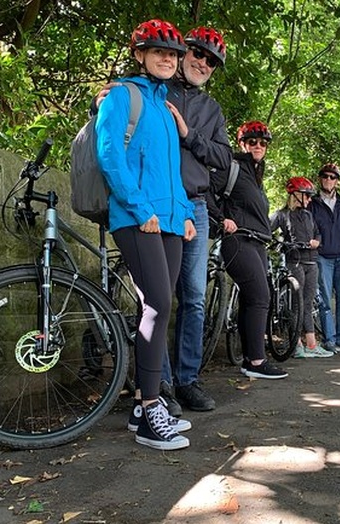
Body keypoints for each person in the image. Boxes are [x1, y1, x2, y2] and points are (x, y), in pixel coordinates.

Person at [94, 26, 232, 415]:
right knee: (157, 299)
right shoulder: (144, 90)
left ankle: (185, 381)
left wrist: (190, 135)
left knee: (192, 298)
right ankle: (158, 390)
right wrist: (99, 101)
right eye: (197, 53)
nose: (201, 63)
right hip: (146, 209)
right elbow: (112, 139)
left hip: (190, 209)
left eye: (211, 61)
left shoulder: (209, 110)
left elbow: (222, 159)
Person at [96, 19, 196, 450]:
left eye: (172, 54)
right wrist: (138, 208)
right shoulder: (122, 96)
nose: (166, 58)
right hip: (137, 218)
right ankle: (153, 405)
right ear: (139, 54)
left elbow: (173, 174)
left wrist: (187, 213)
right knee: (158, 303)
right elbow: (109, 155)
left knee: (160, 305)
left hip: (171, 221)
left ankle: (141, 409)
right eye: (157, 51)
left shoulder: (165, 107)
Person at [209, 121, 288, 379]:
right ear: (242, 143)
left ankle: (248, 358)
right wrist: (221, 219)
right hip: (238, 240)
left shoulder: (256, 175)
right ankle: (256, 361)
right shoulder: (231, 166)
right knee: (260, 296)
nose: (258, 146)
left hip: (257, 241)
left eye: (263, 142)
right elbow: (204, 191)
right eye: (252, 141)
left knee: (250, 298)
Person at [269, 177, 333, 358]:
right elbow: (267, 229)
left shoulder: (308, 215)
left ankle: (312, 344)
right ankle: (296, 345)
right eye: (307, 196)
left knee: (307, 303)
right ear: (296, 195)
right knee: (296, 304)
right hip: (294, 262)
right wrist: (279, 242)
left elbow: (318, 233)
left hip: (312, 263)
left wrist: (316, 241)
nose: (309, 199)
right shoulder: (281, 215)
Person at [308, 163, 340, 353]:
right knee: (324, 300)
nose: (328, 180)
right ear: (320, 178)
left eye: (332, 177)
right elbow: (308, 229)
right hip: (323, 258)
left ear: (337, 181)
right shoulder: (312, 204)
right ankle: (329, 339)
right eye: (325, 176)